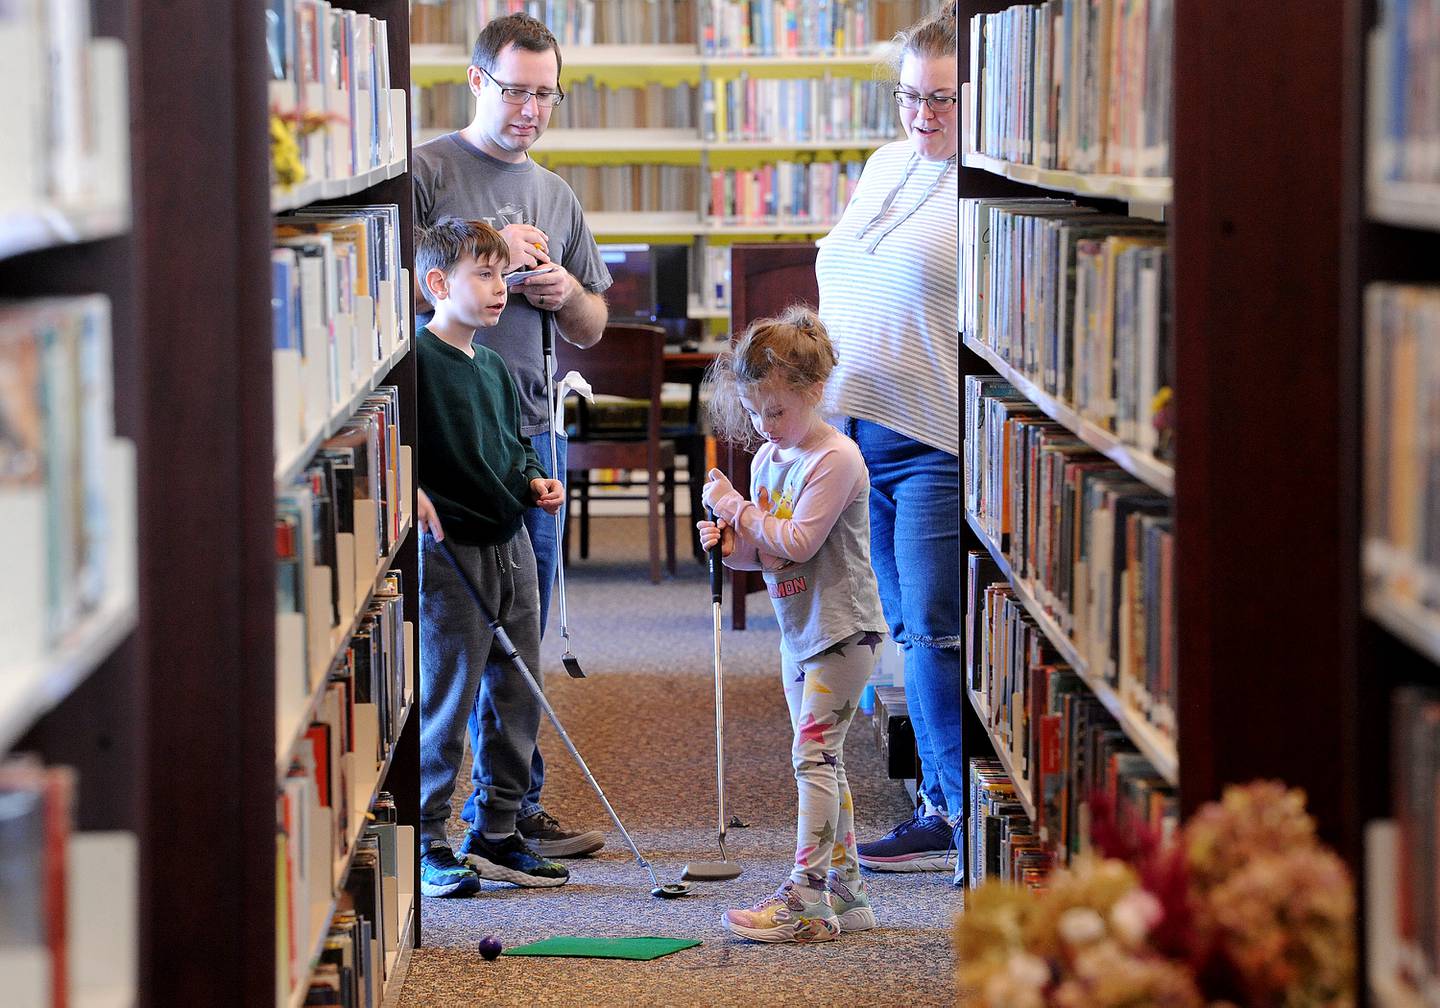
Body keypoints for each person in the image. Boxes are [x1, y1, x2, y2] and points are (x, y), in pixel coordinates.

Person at [412, 12, 611, 858]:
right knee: (455, 640)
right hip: (444, 443)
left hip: (527, 436)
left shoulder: (557, 194)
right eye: (515, 90)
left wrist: (563, 290)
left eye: (545, 94)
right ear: (477, 81)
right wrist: (481, 267)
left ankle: (510, 812)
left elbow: (596, 323)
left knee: (521, 640)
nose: (530, 109)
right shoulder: (424, 171)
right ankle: (431, 823)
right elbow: (378, 296)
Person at [813, 4, 964, 884]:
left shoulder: (985, 181)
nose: (922, 116)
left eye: (941, 99)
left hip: (933, 437)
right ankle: (937, 800)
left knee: (937, 634)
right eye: (909, 96)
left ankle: (954, 812)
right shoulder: (882, 164)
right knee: (899, 628)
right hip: (856, 435)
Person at [697, 306, 888, 944]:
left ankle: (805, 895)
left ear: (813, 392)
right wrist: (730, 542)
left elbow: (801, 541)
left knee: (813, 757)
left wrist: (738, 511)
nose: (763, 425)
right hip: (798, 631)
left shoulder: (836, 460)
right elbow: (765, 556)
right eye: (753, 413)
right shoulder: (768, 461)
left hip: (842, 632)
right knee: (823, 762)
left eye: (775, 411)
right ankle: (847, 894)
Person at [413, 218, 571, 896]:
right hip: (453, 553)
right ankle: (425, 838)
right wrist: (410, 488)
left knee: (517, 696)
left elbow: (512, 448)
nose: (499, 286)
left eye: (501, 273)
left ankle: (498, 829)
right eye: (483, 273)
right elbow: (398, 445)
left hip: (511, 547)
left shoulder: (496, 367)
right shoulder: (416, 360)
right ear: (437, 284)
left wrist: (535, 478)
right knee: (449, 699)